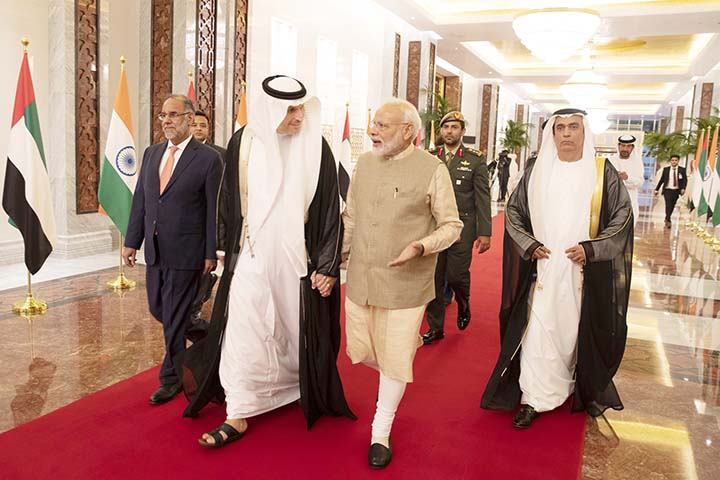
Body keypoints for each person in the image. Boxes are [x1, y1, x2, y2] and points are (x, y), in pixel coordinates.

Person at [181, 75, 355, 448]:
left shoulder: (317, 146)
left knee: (294, 332)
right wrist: (225, 250)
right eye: (290, 109)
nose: (298, 116)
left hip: (297, 261)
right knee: (243, 328)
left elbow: (329, 211)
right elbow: (228, 200)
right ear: (270, 108)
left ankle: (292, 385)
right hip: (252, 254)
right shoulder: (243, 142)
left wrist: (326, 266)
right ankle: (239, 411)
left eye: (301, 108)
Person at [481, 108, 634, 429]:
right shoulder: (537, 169)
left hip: (581, 271)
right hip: (542, 268)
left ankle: (567, 383)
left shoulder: (602, 171)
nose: (566, 133)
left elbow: (622, 217)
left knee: (570, 332)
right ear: (552, 134)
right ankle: (533, 397)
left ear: (584, 132)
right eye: (560, 127)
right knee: (537, 330)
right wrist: (528, 244)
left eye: (573, 127)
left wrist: (591, 250)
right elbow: (514, 212)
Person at [343, 98, 463, 468]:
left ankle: (381, 430)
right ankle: (401, 353)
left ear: (408, 131)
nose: (373, 131)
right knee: (362, 352)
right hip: (362, 278)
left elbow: (452, 226)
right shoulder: (363, 163)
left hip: (405, 284)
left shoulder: (432, 168)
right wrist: (336, 262)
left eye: (383, 125)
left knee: (394, 359)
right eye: (373, 123)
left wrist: (421, 246)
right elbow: (351, 217)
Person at [123, 94, 222, 405]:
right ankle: (207, 335)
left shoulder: (208, 159)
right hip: (155, 249)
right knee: (159, 309)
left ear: (189, 119)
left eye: (173, 115)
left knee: (175, 314)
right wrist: (130, 241)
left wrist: (211, 251)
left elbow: (213, 209)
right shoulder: (152, 154)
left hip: (188, 249)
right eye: (163, 115)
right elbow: (141, 201)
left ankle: (171, 378)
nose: (166, 120)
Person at [422, 111, 492, 345]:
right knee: (434, 276)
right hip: (435, 227)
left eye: (454, 127)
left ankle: (463, 303)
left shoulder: (474, 159)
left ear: (462, 131)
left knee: (455, 275)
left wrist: (485, 232)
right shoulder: (430, 157)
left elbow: (482, 196)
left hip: (463, 226)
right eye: (446, 127)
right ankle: (436, 327)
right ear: (441, 131)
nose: (449, 131)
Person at [610, 134, 644, 225]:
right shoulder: (610, 161)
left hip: (630, 200)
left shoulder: (637, 163)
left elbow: (640, 182)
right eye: (623, 146)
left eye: (628, 146)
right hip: (613, 201)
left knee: (629, 226)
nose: (625, 149)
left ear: (632, 148)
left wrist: (627, 178)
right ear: (619, 146)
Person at [654, 154, 686, 228]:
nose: (674, 162)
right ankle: (668, 219)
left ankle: (667, 217)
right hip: (667, 190)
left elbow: (684, 180)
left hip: (676, 190)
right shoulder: (666, 170)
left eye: (675, 160)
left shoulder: (682, 170)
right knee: (668, 204)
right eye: (672, 160)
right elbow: (661, 180)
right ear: (670, 161)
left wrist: (683, 188)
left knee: (672, 205)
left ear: (678, 161)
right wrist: (656, 189)